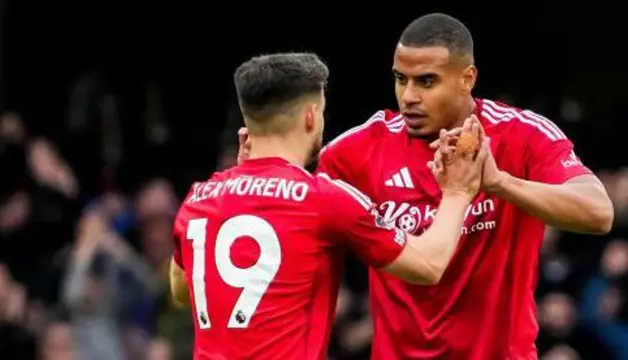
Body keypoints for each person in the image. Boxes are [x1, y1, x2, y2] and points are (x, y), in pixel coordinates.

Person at [232, 13, 615, 360]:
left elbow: (598, 213)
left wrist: (499, 183)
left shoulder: (522, 134)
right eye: (401, 79)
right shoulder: (359, 148)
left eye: (426, 81)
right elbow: (284, 202)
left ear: (467, 79)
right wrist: (255, 176)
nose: (409, 97)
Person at [169, 52, 489, 359]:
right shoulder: (323, 198)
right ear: (310, 116)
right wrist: (458, 191)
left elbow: (182, 290)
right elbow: (429, 266)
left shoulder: (201, 196)